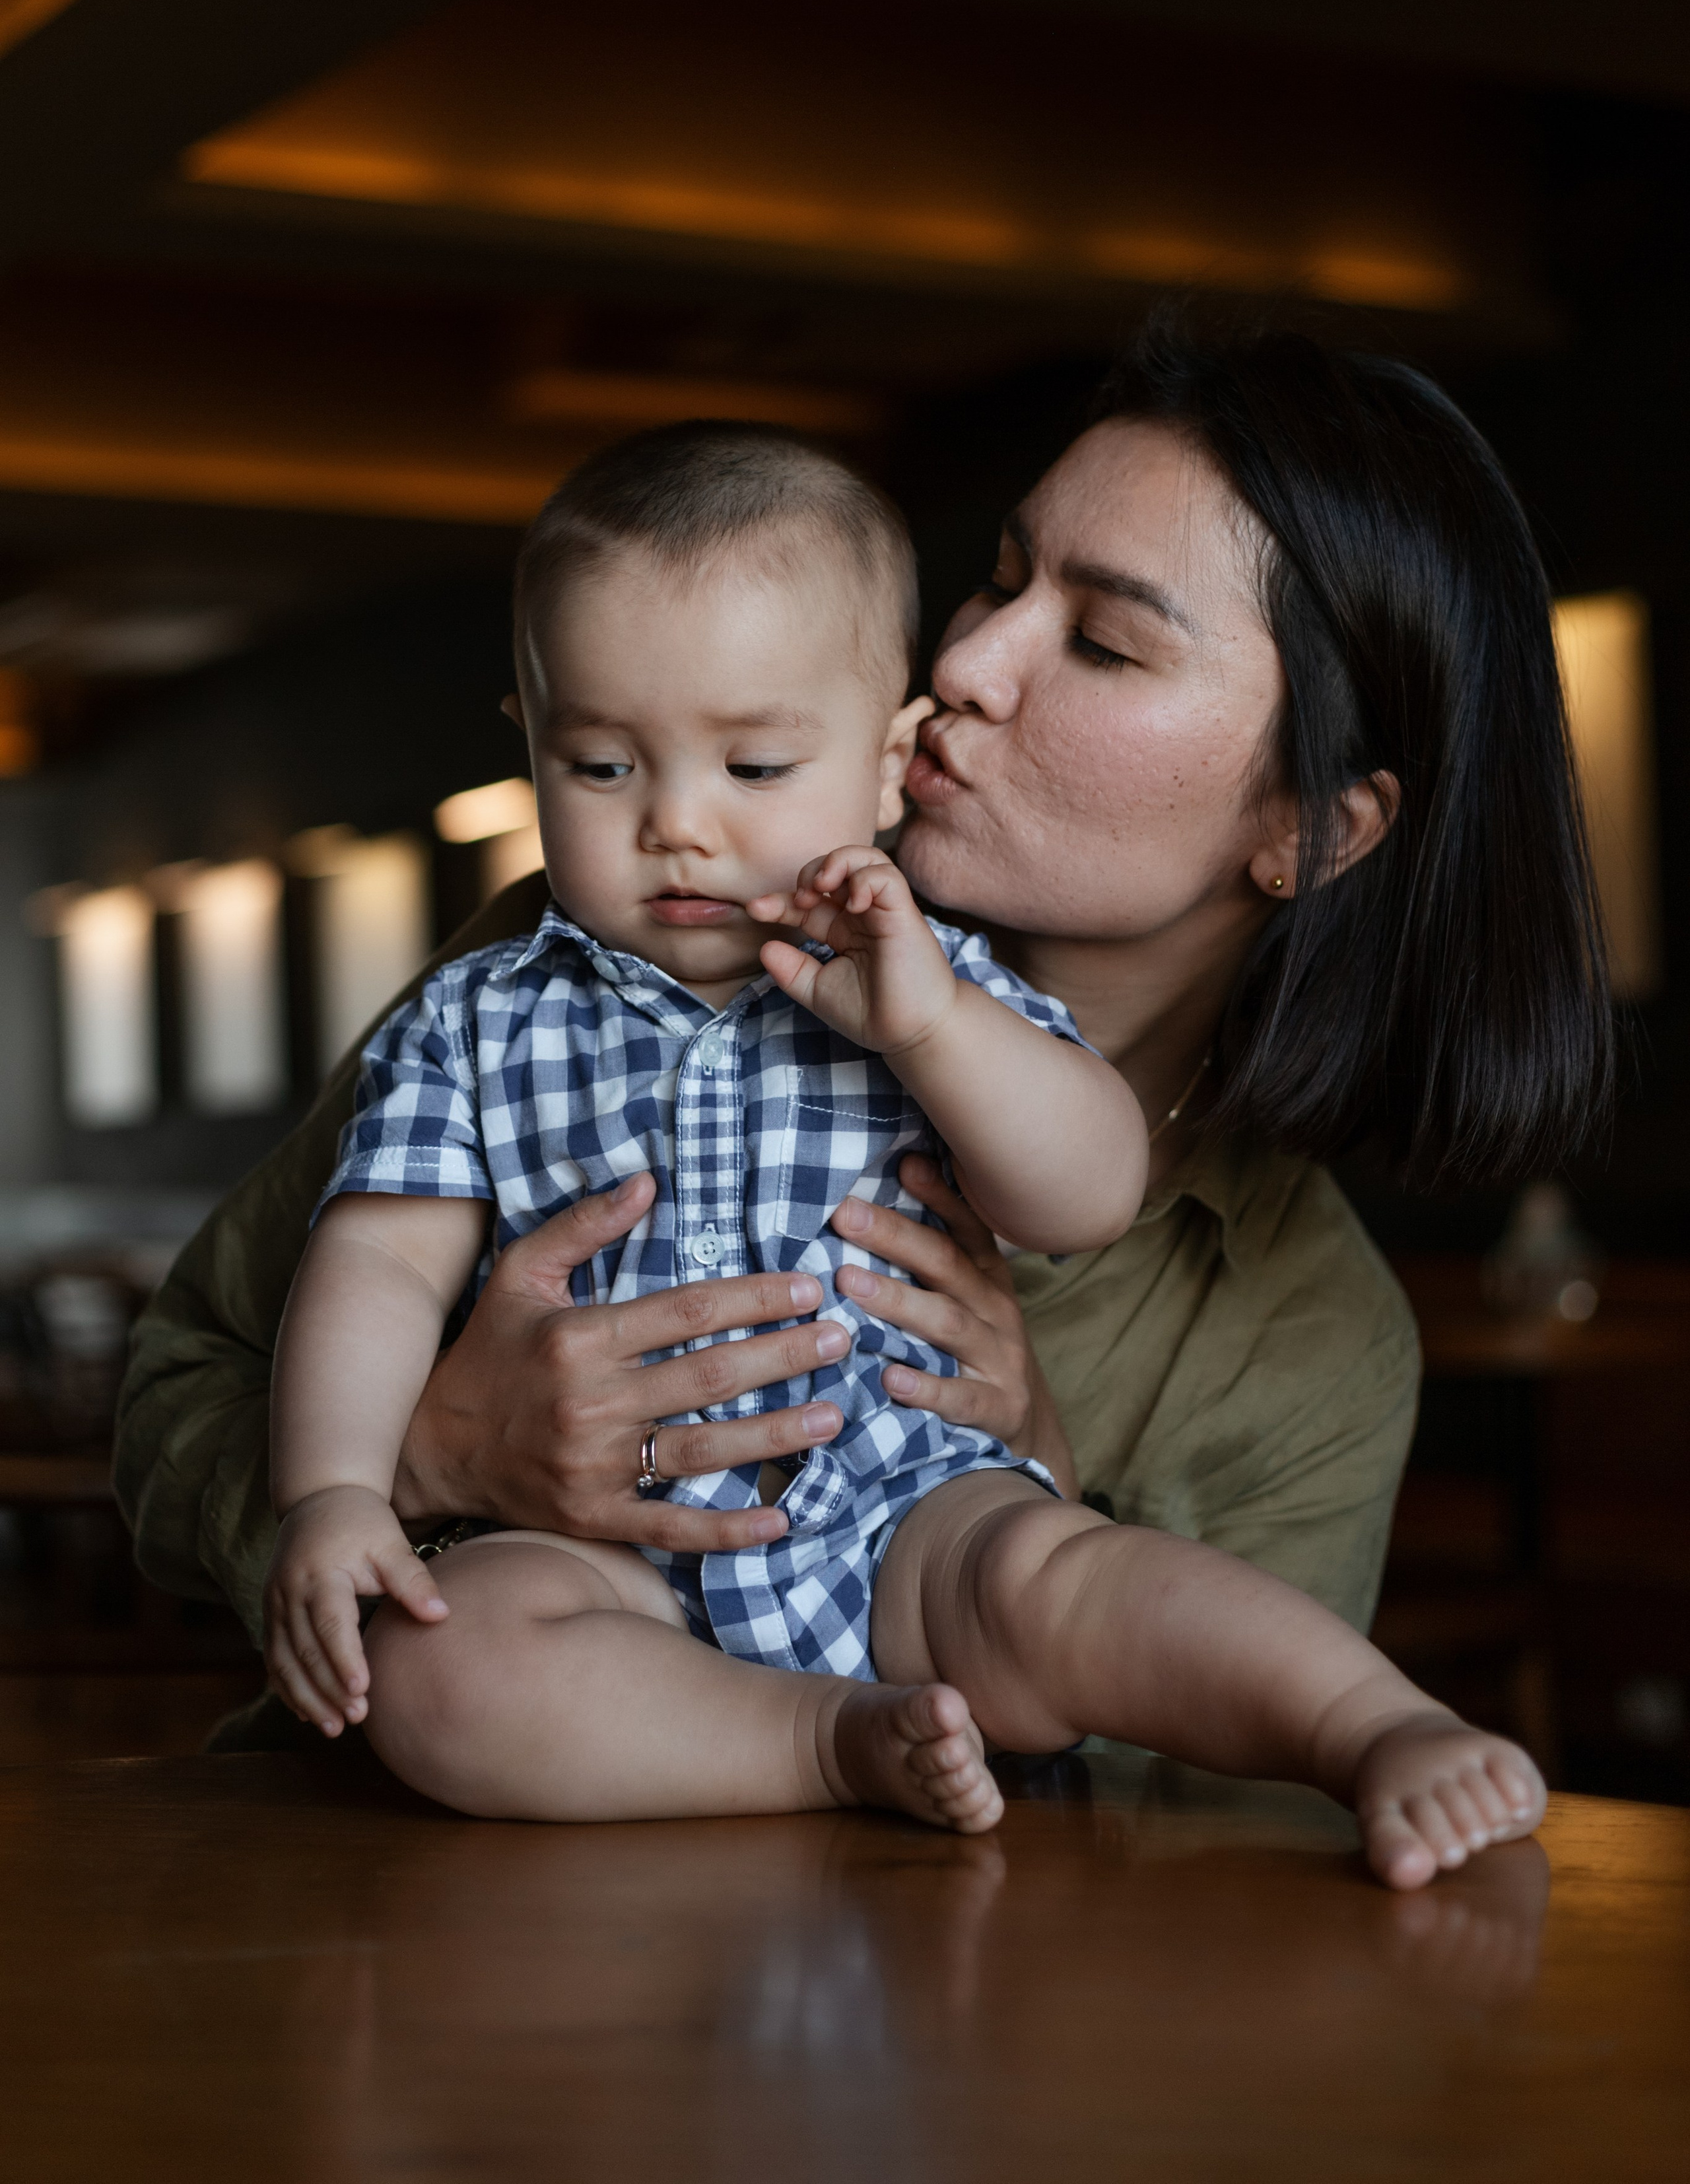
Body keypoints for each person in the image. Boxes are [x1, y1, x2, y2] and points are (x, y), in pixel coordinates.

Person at [115, 321, 1609, 1870]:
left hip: (925, 2001)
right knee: (456, 1666)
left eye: (1100, 642)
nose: (961, 665)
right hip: (420, 1889)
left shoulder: (1309, 1343)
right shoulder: (591, 961)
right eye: (1001, 575)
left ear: (1310, 825)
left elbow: (1198, 1867)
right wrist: (429, 1462)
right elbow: (176, 1399)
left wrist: (1043, 1489)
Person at [266, 426, 1145, 1707]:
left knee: (1063, 1575)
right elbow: (383, 1260)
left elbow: (1086, 1195)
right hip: (606, 1560)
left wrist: (931, 1028)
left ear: (889, 765)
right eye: (603, 766)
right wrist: (336, 1491)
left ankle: (1360, 1723)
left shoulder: (935, 985)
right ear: (530, 746)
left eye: (753, 766)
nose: (675, 823)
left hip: (902, 1517)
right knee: (443, 1664)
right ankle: (819, 1750)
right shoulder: (475, 1016)